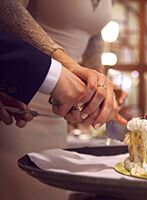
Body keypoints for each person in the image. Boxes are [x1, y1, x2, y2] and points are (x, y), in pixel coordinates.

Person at [0, 0, 118, 199]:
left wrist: (98, 89)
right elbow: (7, 8)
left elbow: (94, 36)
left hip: (60, 115)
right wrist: (67, 66)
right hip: (21, 101)